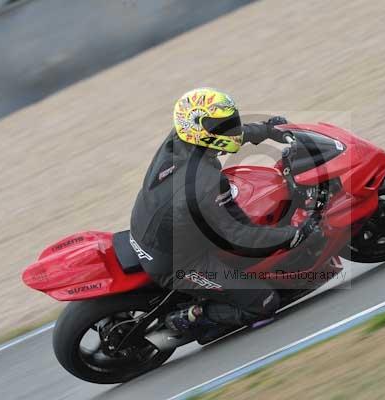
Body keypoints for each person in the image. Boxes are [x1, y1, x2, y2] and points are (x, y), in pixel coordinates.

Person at [130, 88, 319, 342]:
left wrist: (264, 130)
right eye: (224, 124)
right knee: (264, 301)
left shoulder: (180, 139)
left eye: (231, 120)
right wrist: (293, 235)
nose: (232, 127)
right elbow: (240, 235)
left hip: (150, 224)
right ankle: (189, 316)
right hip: (178, 263)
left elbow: (224, 137)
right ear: (200, 130)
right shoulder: (206, 182)